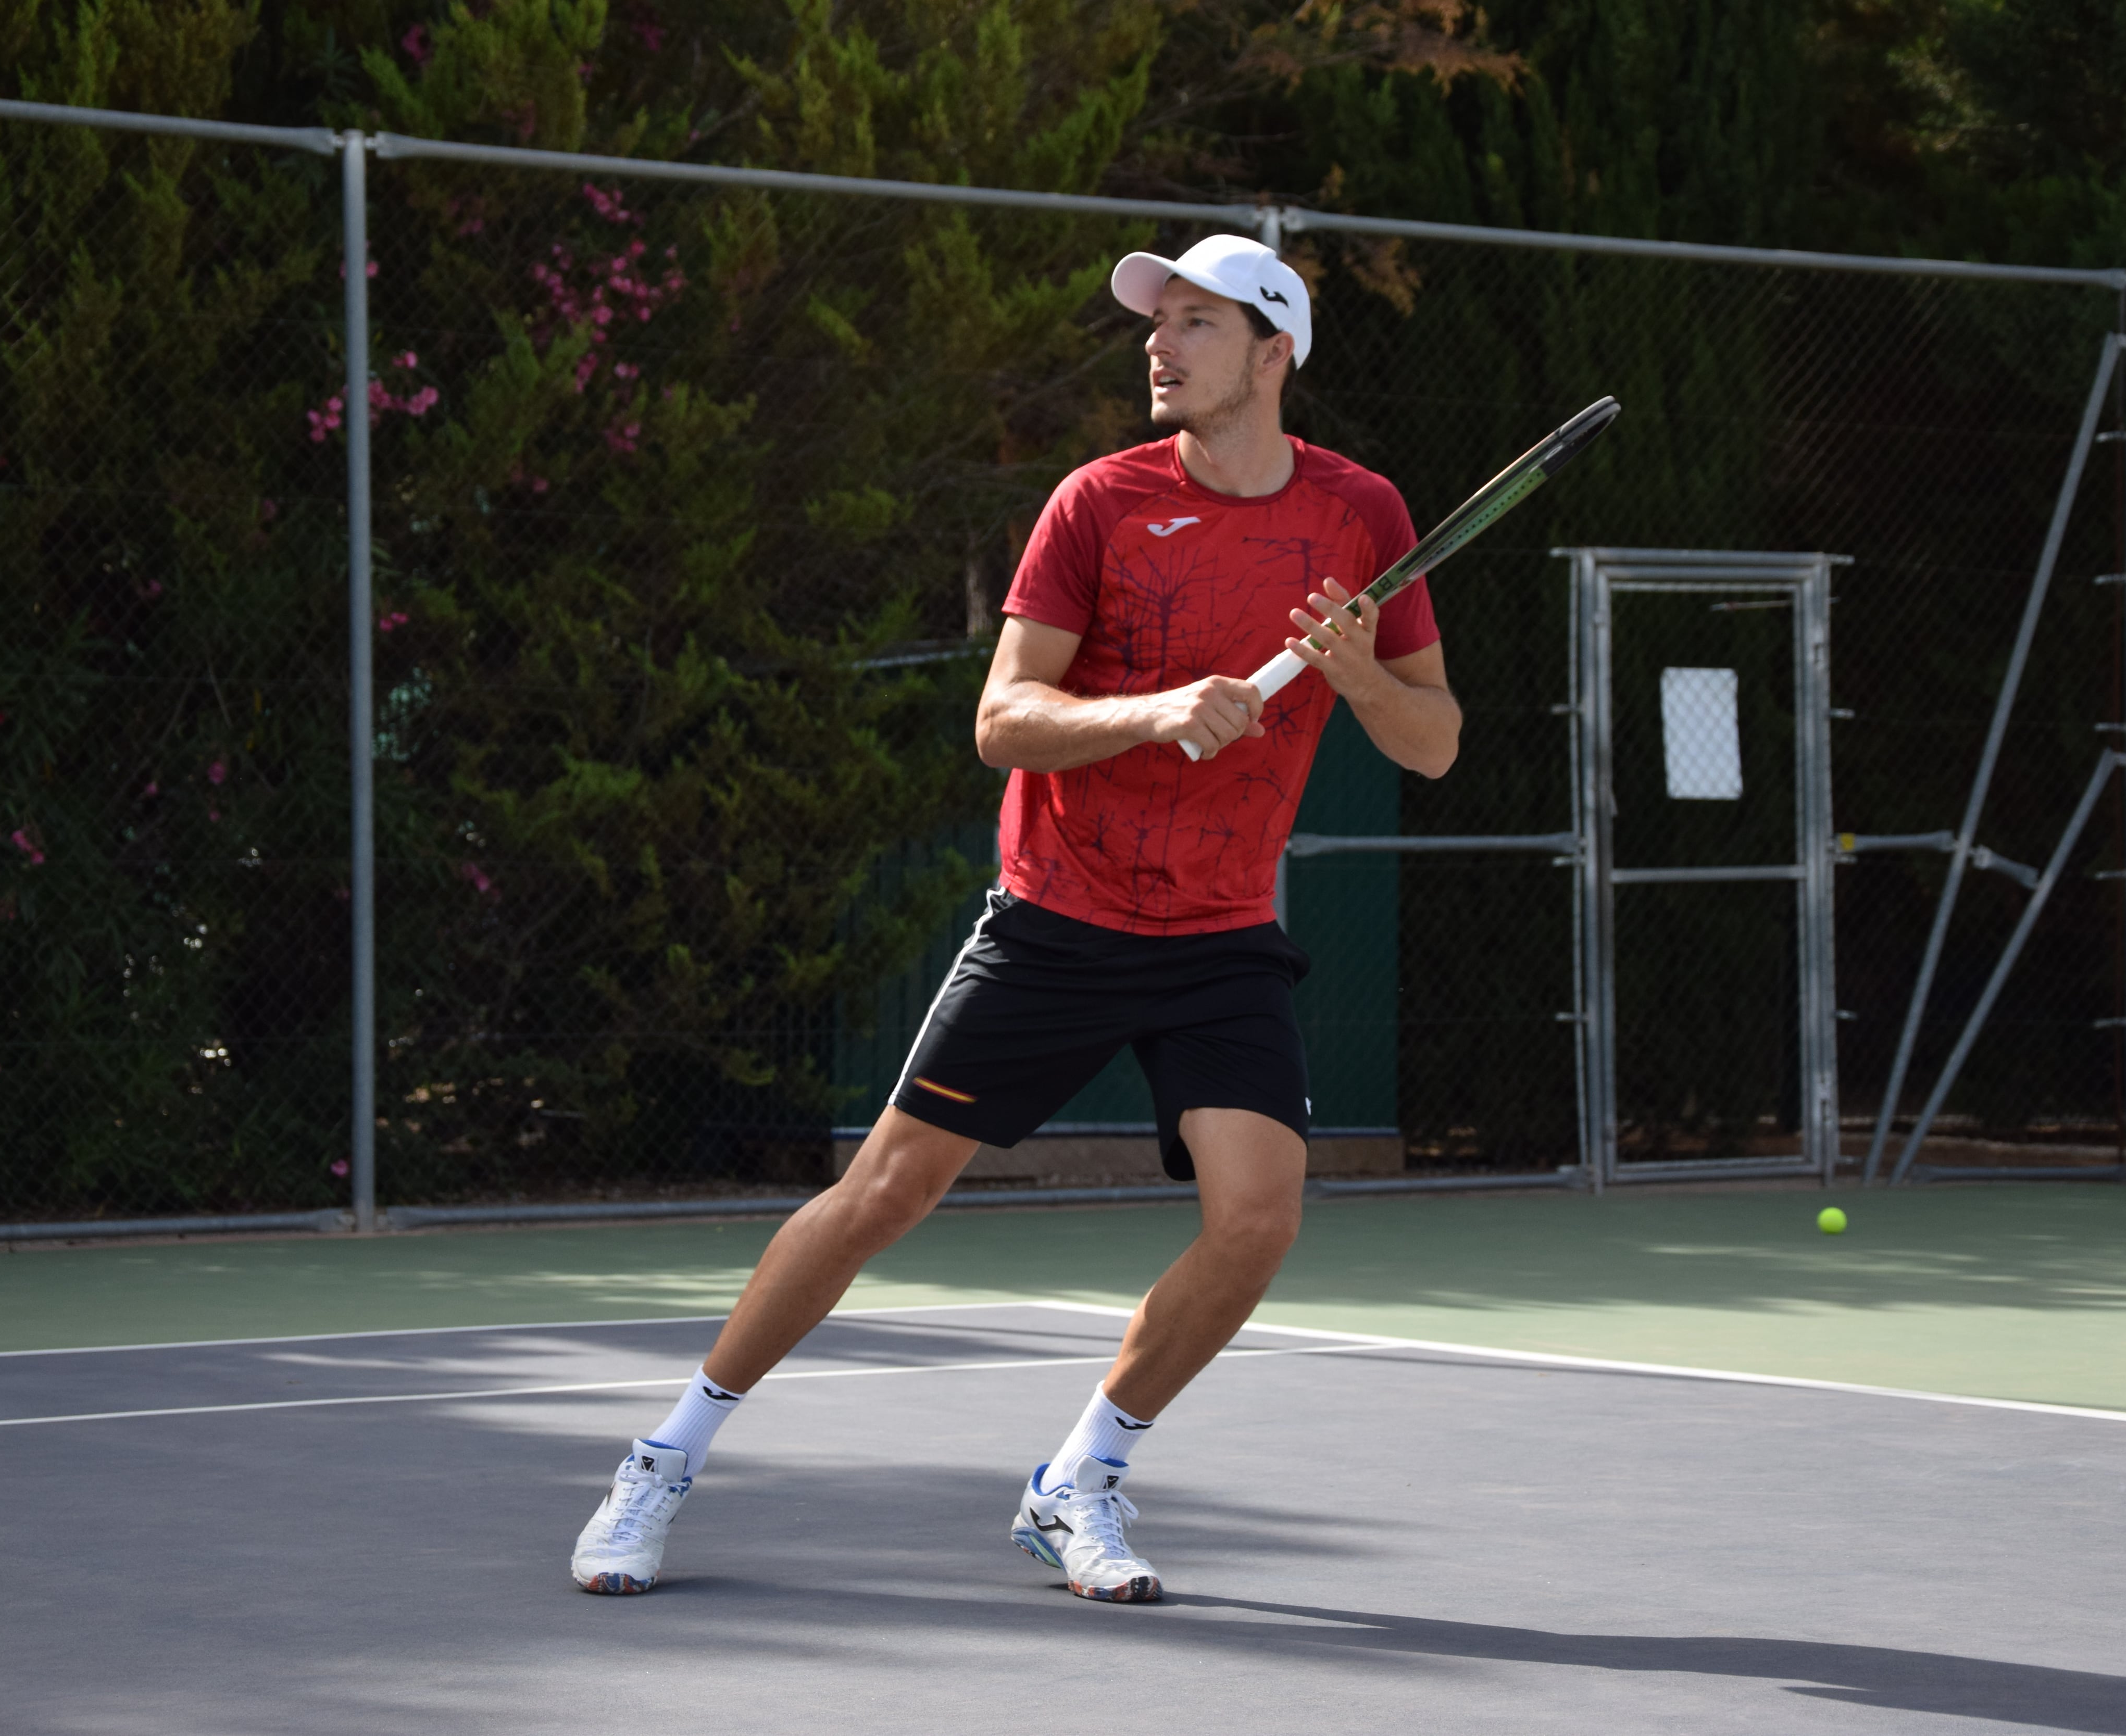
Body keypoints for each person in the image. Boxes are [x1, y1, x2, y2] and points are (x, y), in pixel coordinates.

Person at [571, 233, 1462, 1602]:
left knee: (1260, 1217)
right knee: (884, 1193)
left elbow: (1436, 743)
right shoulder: (1096, 505)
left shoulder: (1362, 516)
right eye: (1155, 325)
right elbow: (1002, 722)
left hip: (1220, 936)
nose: (1158, 348)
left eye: (1197, 325)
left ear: (1275, 353)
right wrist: (1159, 712)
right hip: (1061, 919)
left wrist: (1356, 681)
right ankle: (663, 1461)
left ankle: (1079, 1484)